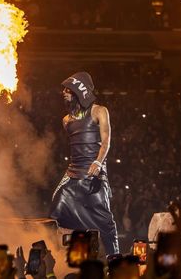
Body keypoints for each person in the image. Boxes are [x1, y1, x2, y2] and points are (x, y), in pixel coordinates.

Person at [49, 72, 119, 257]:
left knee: (104, 221)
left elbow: (106, 141)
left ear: (79, 91)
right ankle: (69, 256)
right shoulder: (66, 120)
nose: (63, 93)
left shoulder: (99, 111)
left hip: (94, 172)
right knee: (57, 206)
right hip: (73, 172)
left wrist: (98, 162)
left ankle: (114, 258)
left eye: (67, 90)